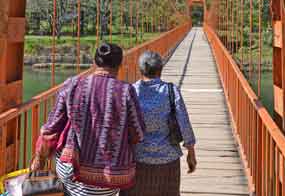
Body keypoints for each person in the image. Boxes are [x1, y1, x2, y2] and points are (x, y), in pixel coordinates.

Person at [32, 43, 145, 196]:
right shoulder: (126, 90)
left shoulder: (72, 84)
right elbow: (138, 133)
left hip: (72, 169)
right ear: (120, 65)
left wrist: (39, 157)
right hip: (111, 175)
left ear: (94, 62)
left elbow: (51, 128)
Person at [120, 51, 197, 196]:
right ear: (160, 70)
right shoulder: (171, 90)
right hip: (167, 160)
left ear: (140, 70)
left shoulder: (130, 91)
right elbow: (184, 122)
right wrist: (191, 152)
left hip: (137, 160)